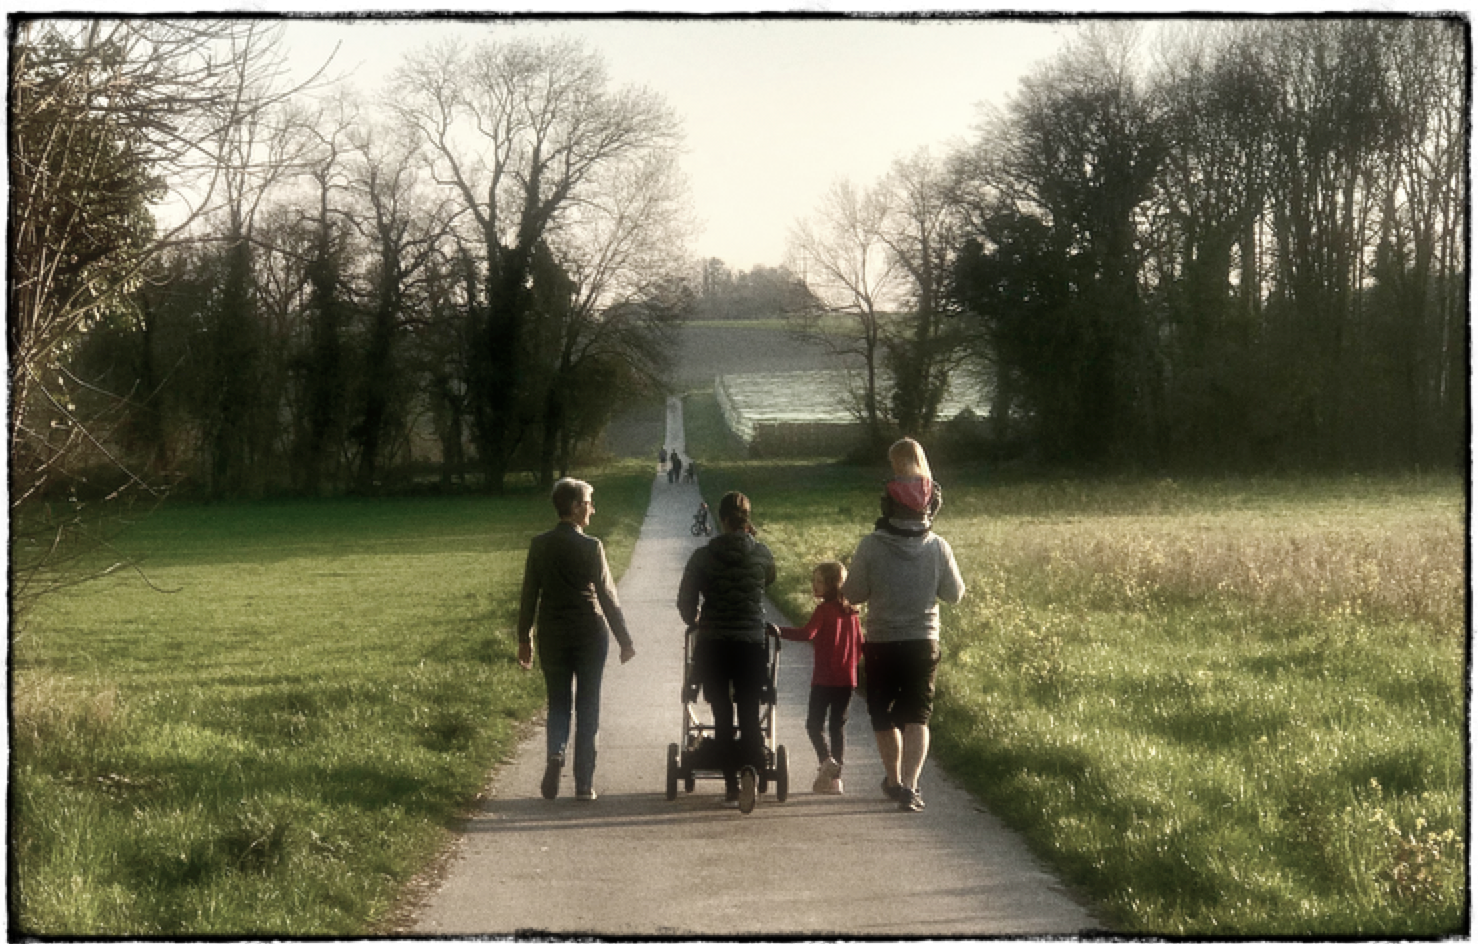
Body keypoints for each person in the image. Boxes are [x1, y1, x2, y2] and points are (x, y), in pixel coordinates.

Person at [843, 440, 965, 813]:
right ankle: (912, 785)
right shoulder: (938, 547)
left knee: (882, 715)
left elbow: (854, 593)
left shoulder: (871, 546)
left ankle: (894, 780)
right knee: (917, 716)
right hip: (923, 641)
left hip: (881, 640)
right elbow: (954, 595)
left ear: (887, 503)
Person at [517, 477, 637, 802]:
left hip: (552, 634)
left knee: (558, 703)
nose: (592, 510)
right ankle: (584, 784)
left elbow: (529, 595)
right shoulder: (591, 546)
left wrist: (524, 638)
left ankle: (556, 754)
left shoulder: (539, 545)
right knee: (588, 705)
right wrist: (625, 639)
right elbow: (607, 596)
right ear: (574, 507)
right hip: (589, 633)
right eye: (588, 503)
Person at [677, 491, 776, 814]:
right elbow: (768, 579)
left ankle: (732, 785)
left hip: (714, 644)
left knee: (721, 712)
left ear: (720, 519)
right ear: (748, 518)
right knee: (749, 711)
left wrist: (695, 619)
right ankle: (751, 766)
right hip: (750, 644)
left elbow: (685, 601)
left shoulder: (703, 556)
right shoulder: (761, 554)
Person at [776, 561, 862, 795]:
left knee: (814, 724)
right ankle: (836, 781)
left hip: (824, 678)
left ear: (832, 585)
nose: (814, 586)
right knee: (837, 727)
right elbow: (860, 645)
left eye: (819, 582)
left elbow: (807, 633)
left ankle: (826, 760)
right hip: (847, 679)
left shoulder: (823, 611)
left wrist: (777, 630)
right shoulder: (852, 612)